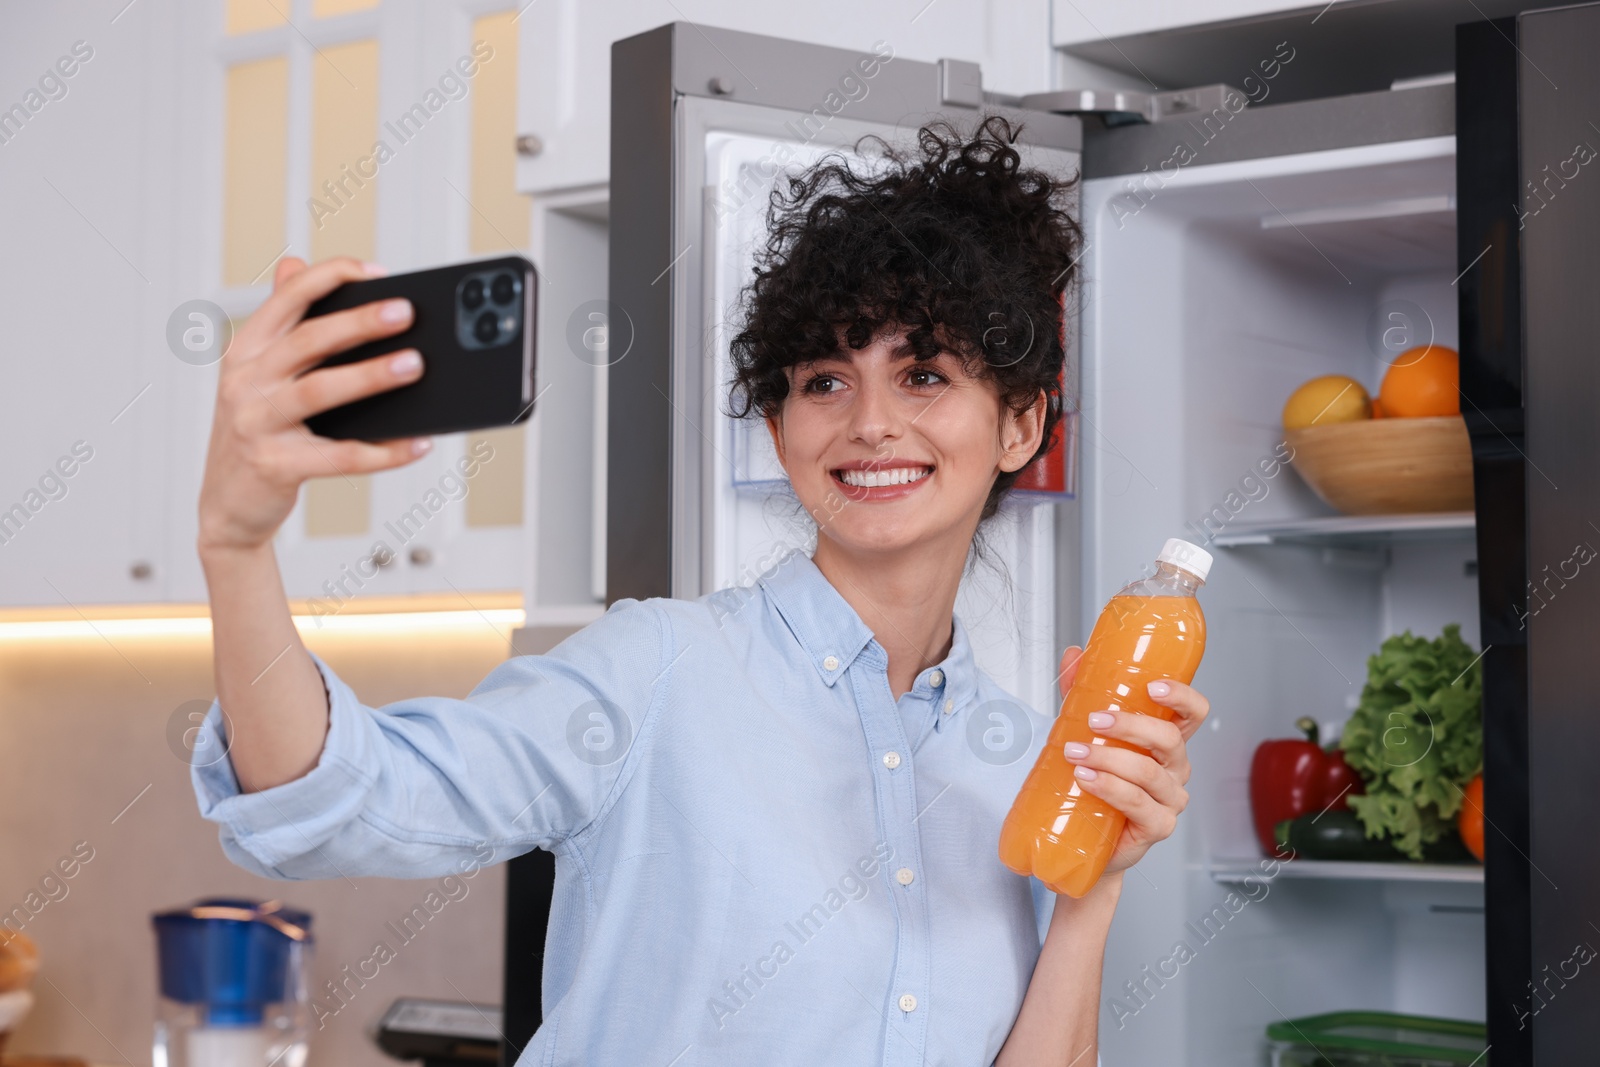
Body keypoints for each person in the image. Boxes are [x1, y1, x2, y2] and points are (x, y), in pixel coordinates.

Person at [190, 113, 1210, 1066]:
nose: (868, 422)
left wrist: (1094, 887)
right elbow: (328, 799)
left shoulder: (1028, 760)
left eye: (925, 374)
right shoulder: (654, 673)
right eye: (823, 380)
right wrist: (237, 546)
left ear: (1022, 426)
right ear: (779, 429)